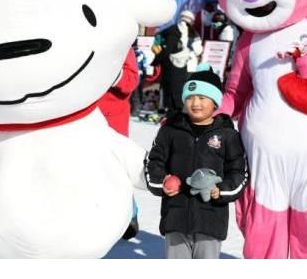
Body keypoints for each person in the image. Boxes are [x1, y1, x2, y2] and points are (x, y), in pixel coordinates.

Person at [144, 63, 248, 259]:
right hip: (175, 217)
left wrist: (221, 190)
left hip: (210, 219)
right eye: (190, 98)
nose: (195, 103)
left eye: (202, 97)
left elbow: (239, 172)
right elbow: (153, 162)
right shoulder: (170, 130)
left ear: (215, 102)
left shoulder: (227, 135)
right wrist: (162, 182)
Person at [97, 47, 141, 239]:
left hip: (112, 118)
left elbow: (131, 80)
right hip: (82, 117)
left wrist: (112, 74)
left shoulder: (121, 42)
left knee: (116, 168)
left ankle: (129, 213)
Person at [152, 10, 203, 117]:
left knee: (170, 88)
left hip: (172, 64)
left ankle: (167, 109)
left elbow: (161, 41)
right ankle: (183, 111)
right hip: (189, 65)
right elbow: (198, 50)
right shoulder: (194, 33)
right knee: (185, 89)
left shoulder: (172, 30)